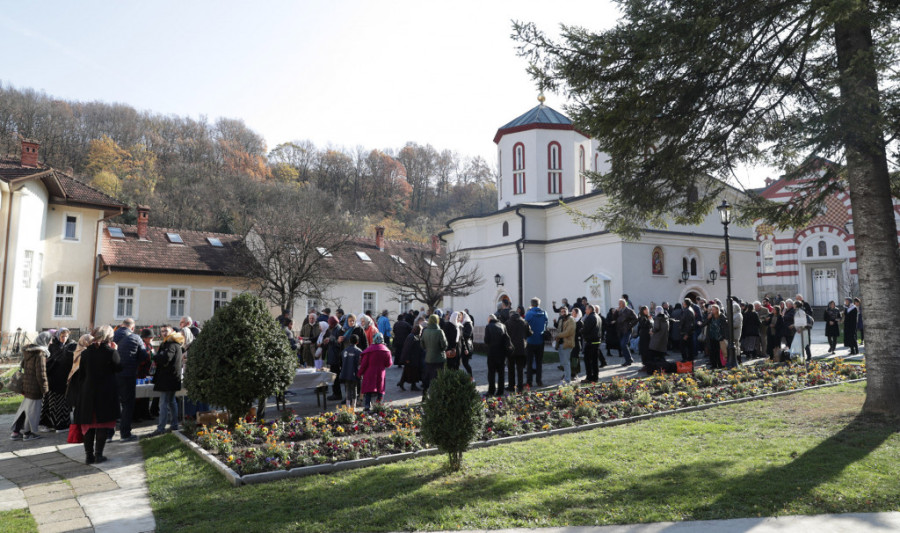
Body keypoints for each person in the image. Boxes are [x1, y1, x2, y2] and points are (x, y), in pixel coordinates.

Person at [72, 326, 121, 463]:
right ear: (108, 337)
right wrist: (116, 351)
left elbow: (82, 374)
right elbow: (119, 368)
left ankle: (89, 456)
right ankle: (98, 455)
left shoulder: (86, 353)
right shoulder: (111, 352)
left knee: (88, 425)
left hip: (88, 391)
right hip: (105, 392)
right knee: (102, 424)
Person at [10, 332, 51, 441]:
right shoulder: (40, 354)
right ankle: (27, 434)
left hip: (27, 385)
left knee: (24, 409)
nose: (50, 342)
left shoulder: (29, 352)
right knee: (32, 411)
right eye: (49, 340)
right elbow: (41, 374)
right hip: (35, 388)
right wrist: (45, 389)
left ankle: (15, 432)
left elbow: (23, 365)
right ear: (44, 341)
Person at [113, 318, 149, 442]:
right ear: (132, 328)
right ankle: (125, 433)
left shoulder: (111, 335)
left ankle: (107, 434)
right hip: (128, 374)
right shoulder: (136, 338)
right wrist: (134, 363)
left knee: (112, 402)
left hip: (112, 374)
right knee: (127, 404)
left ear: (122, 325)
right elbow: (144, 355)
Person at [147, 325, 184, 437]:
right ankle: (174, 425)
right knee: (171, 402)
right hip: (171, 378)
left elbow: (165, 359)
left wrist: (154, 356)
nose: (163, 333)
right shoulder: (173, 343)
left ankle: (161, 428)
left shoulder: (171, 344)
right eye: (162, 331)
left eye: (166, 331)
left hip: (168, 379)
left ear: (172, 331)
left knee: (163, 403)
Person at [42, 328, 75, 431]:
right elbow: (50, 359)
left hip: (64, 378)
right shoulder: (53, 346)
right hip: (53, 378)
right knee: (52, 402)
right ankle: (50, 424)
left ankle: (62, 423)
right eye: (62, 336)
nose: (64, 339)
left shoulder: (70, 346)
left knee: (63, 403)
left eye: (66, 336)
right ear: (58, 336)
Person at [358, 333, 393, 411]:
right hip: (381, 372)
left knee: (368, 389)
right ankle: (379, 405)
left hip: (369, 372)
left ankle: (367, 405)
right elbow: (388, 364)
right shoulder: (386, 350)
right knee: (380, 389)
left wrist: (360, 373)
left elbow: (364, 364)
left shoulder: (369, 350)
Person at [420, 314, 448, 398]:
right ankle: (438, 396)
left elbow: (422, 345)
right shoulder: (440, 331)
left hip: (428, 358)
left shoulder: (425, 331)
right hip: (439, 358)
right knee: (439, 377)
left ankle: (424, 395)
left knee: (427, 377)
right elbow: (444, 345)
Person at [506, 305, 531, 393]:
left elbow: (505, 335)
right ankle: (520, 387)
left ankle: (511, 386)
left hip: (511, 349)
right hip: (521, 348)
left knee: (511, 368)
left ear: (511, 315)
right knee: (520, 369)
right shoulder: (524, 322)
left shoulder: (508, 322)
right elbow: (530, 333)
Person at [524, 298, 549, 387]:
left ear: (531, 304)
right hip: (540, 340)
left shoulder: (529, 314)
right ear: (539, 304)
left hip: (530, 340)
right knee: (539, 362)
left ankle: (529, 382)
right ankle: (539, 381)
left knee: (529, 362)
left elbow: (525, 325)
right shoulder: (544, 313)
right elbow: (546, 324)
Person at [483, 314, 509, 396]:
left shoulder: (488, 326)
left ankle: (491, 391)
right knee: (501, 373)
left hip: (492, 353)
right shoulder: (503, 325)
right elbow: (506, 338)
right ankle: (500, 391)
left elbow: (486, 340)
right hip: (502, 353)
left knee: (491, 373)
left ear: (490, 319)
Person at [339, 335, 362, 409]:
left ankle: (348, 405)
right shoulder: (359, 351)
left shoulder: (345, 350)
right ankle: (353, 406)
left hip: (345, 373)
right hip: (354, 373)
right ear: (357, 342)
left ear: (349, 341)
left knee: (347, 389)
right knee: (354, 389)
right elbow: (360, 363)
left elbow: (341, 361)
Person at [582, 304, 604, 382]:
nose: (585, 311)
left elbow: (586, 329)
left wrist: (580, 331)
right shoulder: (598, 317)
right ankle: (595, 377)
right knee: (595, 361)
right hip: (597, 341)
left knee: (588, 361)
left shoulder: (590, 317)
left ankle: (589, 377)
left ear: (590, 310)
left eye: (586, 309)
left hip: (590, 342)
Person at [398, 324, 424, 391]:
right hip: (411, 358)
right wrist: (407, 358)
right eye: (420, 330)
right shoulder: (412, 337)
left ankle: (402, 383)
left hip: (413, 358)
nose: (421, 332)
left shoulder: (414, 336)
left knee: (407, 372)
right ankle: (413, 385)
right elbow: (407, 348)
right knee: (413, 372)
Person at [324, 317, 344, 401]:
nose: (328, 325)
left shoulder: (339, 330)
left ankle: (337, 394)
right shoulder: (333, 329)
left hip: (336, 357)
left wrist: (330, 340)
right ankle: (335, 393)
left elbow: (339, 344)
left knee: (335, 376)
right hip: (332, 355)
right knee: (333, 376)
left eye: (329, 323)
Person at [555, 306, 575, 385]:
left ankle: (567, 380)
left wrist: (558, 335)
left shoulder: (571, 319)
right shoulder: (561, 319)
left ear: (567, 311)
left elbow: (568, 332)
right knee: (563, 363)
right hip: (560, 343)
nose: (563, 313)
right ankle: (565, 378)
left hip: (567, 343)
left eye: (564, 311)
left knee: (566, 363)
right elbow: (559, 329)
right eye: (561, 311)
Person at [615, 299, 638, 367]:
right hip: (620, 330)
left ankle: (628, 360)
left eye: (620, 303)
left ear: (624, 304)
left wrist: (629, 325)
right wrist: (616, 311)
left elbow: (636, 319)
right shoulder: (619, 311)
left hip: (627, 330)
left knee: (623, 344)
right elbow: (614, 318)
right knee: (623, 345)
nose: (619, 304)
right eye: (619, 303)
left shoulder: (629, 310)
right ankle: (629, 359)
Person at [705, 304, 729, 369]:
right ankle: (714, 365)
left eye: (713, 309)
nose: (712, 311)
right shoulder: (711, 317)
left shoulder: (722, 316)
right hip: (712, 336)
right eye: (711, 310)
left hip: (720, 337)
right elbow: (704, 324)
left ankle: (720, 365)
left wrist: (724, 336)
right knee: (713, 351)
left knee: (719, 352)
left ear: (717, 310)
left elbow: (725, 327)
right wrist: (707, 318)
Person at [459, 311, 475, 379]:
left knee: (465, 363)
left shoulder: (468, 324)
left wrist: (460, 333)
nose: (460, 318)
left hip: (467, 346)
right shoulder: (461, 324)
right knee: (461, 363)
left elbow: (468, 335)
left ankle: (471, 377)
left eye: (461, 316)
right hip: (461, 345)